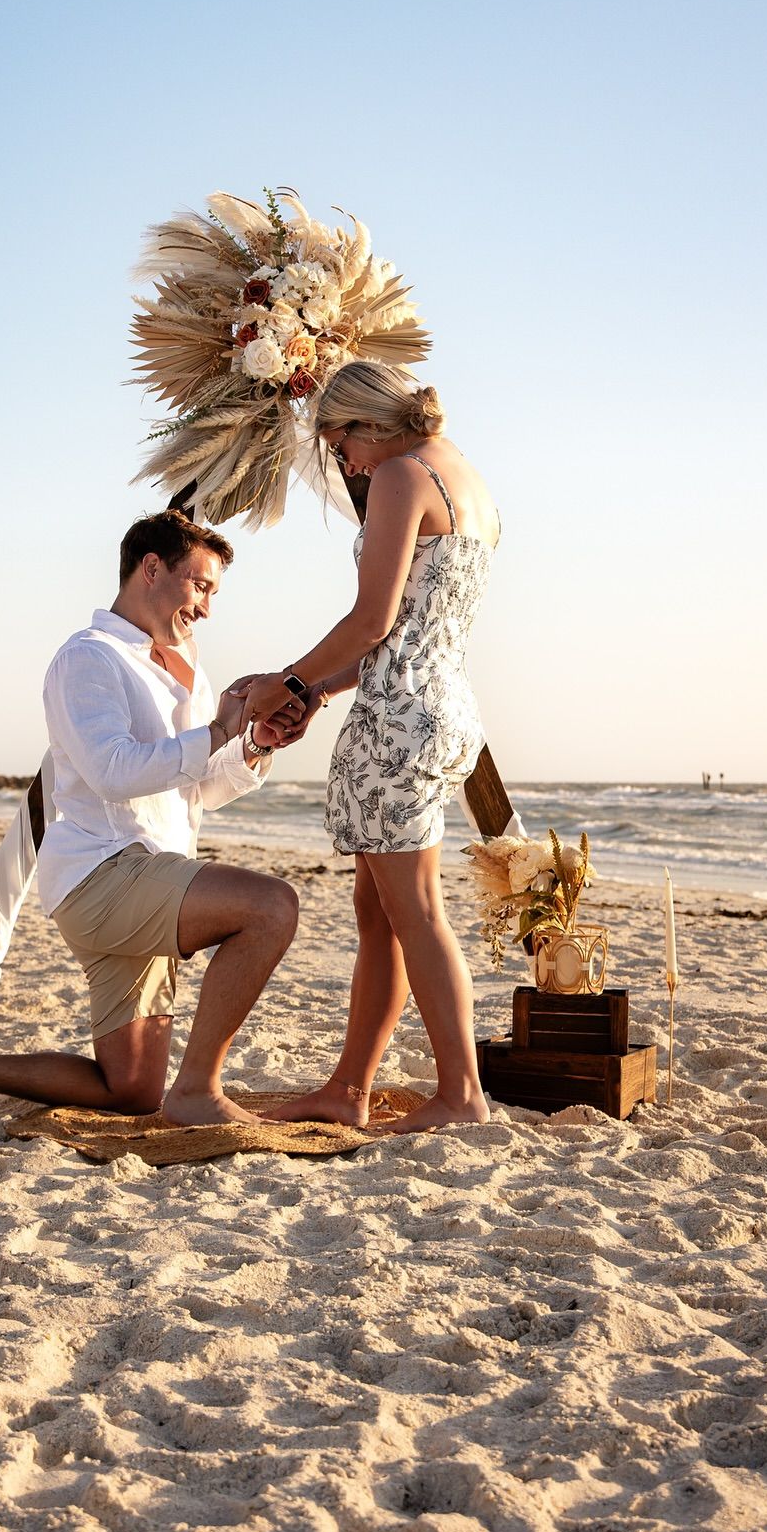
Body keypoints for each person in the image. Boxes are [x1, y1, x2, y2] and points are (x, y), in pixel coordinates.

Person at [0, 511, 300, 1126]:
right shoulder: (87, 659)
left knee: (132, 1091)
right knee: (271, 907)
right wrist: (221, 727)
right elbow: (114, 772)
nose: (206, 609)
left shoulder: (184, 669)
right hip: (105, 875)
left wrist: (254, 743)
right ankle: (199, 1090)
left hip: (153, 878)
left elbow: (198, 791)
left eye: (213, 594)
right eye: (200, 586)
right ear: (151, 569)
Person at [236, 362, 498, 1133]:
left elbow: (373, 621)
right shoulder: (470, 484)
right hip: (440, 707)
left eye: (337, 440)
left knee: (414, 911)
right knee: (378, 911)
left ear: (368, 423)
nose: (341, 461)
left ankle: (461, 1096)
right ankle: (349, 1087)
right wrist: (313, 692)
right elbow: (409, 633)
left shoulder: (399, 477)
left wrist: (285, 679)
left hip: (399, 721)